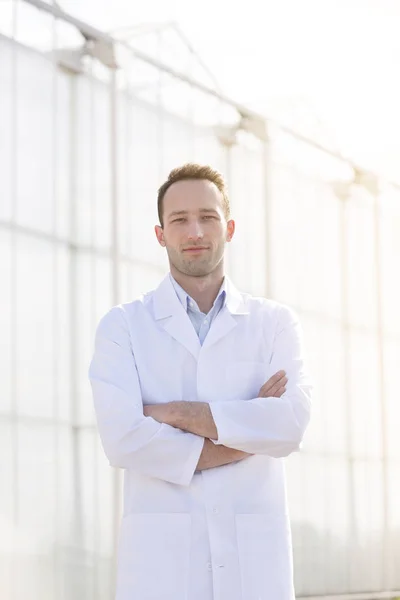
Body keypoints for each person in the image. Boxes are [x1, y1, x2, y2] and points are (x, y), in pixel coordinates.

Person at [88, 163, 313, 600]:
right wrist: (250, 431)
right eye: (179, 219)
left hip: (254, 564)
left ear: (228, 228)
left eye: (207, 217)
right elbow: (122, 439)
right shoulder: (123, 326)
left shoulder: (275, 323)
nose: (195, 230)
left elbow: (292, 424)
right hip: (162, 567)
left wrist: (175, 414)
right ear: (160, 234)